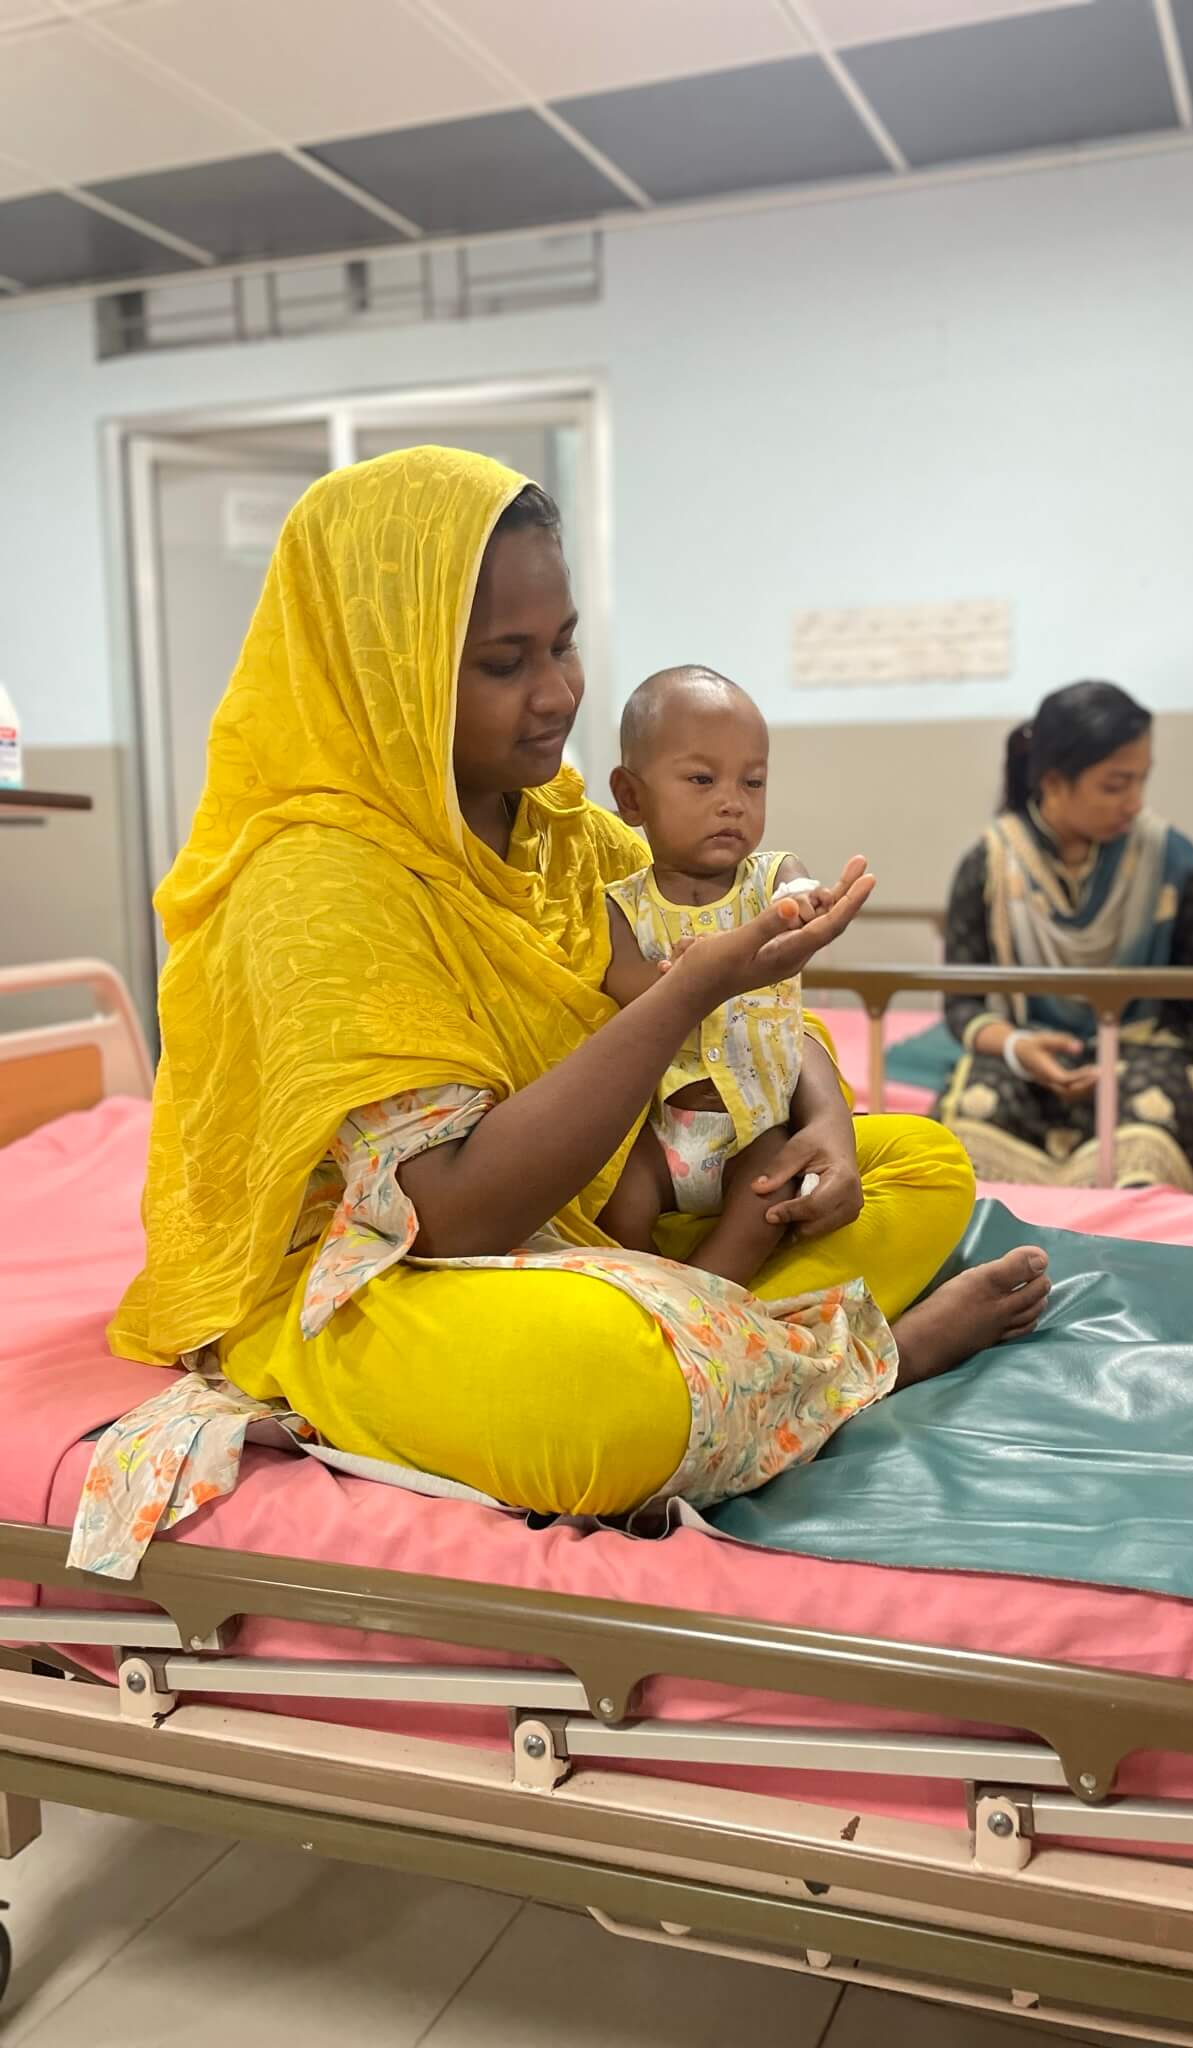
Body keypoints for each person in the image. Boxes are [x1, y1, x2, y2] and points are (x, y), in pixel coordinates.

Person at [100, 447, 1052, 1556]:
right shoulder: (319, 880)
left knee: (919, 1163)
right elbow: (452, 1214)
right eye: (506, 661)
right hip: (390, 1272)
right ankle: (864, 1352)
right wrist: (691, 987)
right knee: (607, 1385)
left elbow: (748, 1014)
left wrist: (827, 1125)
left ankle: (713, 1321)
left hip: (595, 1218)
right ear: (387, 669)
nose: (558, 693)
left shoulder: (553, 824)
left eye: (563, 644)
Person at [939, 679, 1193, 1191]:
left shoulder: (1172, 861)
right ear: (1054, 782)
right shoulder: (990, 864)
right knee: (966, 1130)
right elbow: (961, 1004)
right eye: (1115, 785)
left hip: (1142, 1050)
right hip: (1027, 1054)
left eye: (1142, 781)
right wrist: (1016, 1047)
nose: (1134, 802)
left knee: (1147, 1135)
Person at [600, 665, 835, 1285]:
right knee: (615, 1198)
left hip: (753, 1127)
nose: (732, 800)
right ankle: (648, 1291)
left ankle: (709, 1292)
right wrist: (683, 980)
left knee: (769, 1193)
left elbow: (798, 897)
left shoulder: (769, 877)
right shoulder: (620, 904)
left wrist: (808, 902)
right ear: (631, 798)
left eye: (752, 782)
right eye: (702, 780)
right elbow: (623, 983)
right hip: (660, 1133)